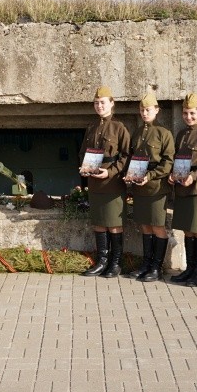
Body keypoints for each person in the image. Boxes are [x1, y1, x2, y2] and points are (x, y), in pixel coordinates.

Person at [78, 86, 131, 279]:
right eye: (96, 103)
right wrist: (84, 167)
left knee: (114, 224)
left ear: (111, 103)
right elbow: (83, 152)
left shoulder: (119, 127)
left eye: (102, 102)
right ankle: (101, 262)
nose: (99, 106)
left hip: (112, 182)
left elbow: (126, 155)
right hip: (94, 181)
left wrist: (110, 171)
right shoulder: (91, 127)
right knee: (99, 223)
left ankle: (115, 263)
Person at [124, 93, 174, 283]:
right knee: (145, 226)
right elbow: (133, 158)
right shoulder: (137, 133)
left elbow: (168, 162)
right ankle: (146, 264)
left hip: (156, 187)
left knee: (157, 226)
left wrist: (150, 176)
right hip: (140, 186)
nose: (145, 113)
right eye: (142, 110)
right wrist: (130, 174)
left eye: (148, 110)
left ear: (156, 110)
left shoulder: (163, 133)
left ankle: (156, 267)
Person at [168, 92, 197, 287]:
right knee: (188, 230)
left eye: (192, 113)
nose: (189, 117)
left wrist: (194, 176)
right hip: (182, 188)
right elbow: (177, 159)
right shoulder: (181, 134)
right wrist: (172, 174)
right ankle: (190, 269)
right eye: (186, 113)